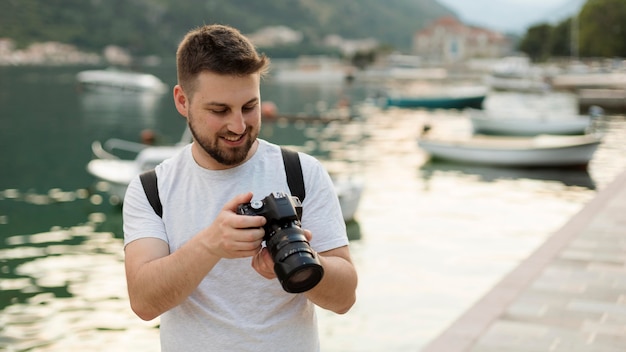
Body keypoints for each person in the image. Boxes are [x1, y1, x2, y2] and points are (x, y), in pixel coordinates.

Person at [122, 24, 358, 351]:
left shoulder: (301, 173)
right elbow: (144, 303)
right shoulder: (152, 190)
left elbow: (345, 298)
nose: (238, 126)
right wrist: (210, 244)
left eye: (250, 106)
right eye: (219, 111)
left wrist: (299, 262)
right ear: (182, 101)